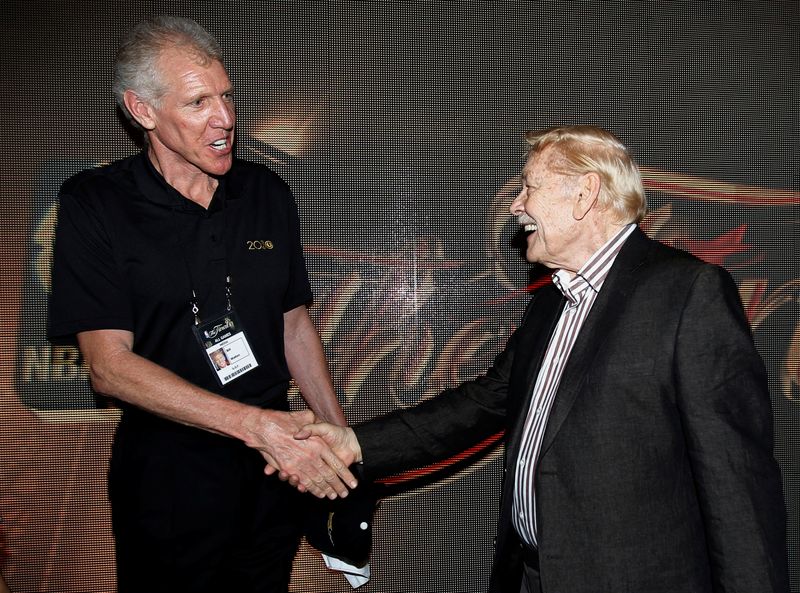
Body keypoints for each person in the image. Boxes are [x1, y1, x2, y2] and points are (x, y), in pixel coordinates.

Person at [294, 126, 790, 592]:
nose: (515, 206)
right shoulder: (553, 297)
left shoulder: (688, 292)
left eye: (528, 188)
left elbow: (736, 479)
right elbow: (483, 402)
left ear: (585, 194)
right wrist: (354, 442)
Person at [47, 15, 356, 593]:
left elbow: (292, 323)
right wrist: (253, 426)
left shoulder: (265, 190)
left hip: (275, 467)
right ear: (142, 111)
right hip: (170, 472)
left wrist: (340, 441)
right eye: (197, 103)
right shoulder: (96, 203)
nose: (226, 119)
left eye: (227, 96)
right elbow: (109, 367)